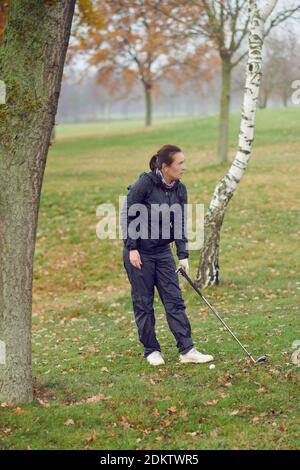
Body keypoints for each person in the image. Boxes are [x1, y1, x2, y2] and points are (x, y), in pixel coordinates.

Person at [121, 144, 214, 366]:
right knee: (143, 302)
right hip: (139, 252)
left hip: (163, 252)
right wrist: (132, 247)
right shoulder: (145, 183)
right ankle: (151, 350)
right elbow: (128, 214)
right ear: (165, 167)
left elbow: (180, 222)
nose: (184, 167)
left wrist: (183, 255)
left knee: (174, 300)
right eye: (180, 163)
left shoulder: (180, 189)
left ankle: (187, 350)